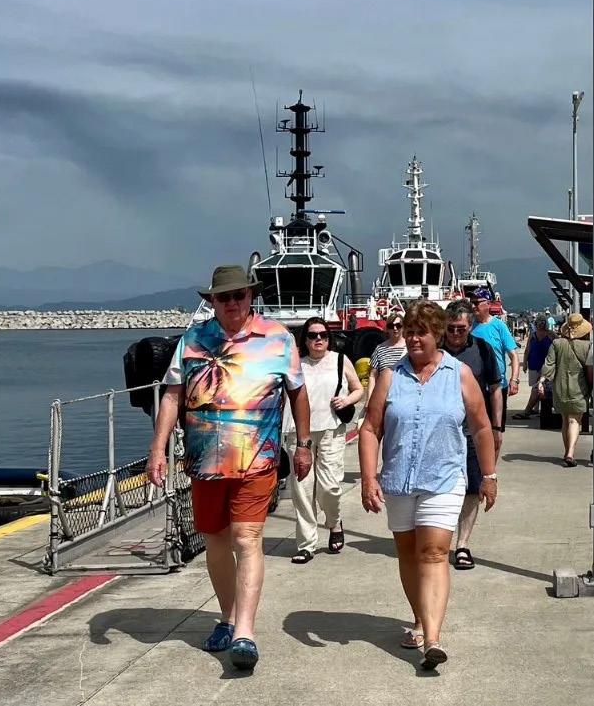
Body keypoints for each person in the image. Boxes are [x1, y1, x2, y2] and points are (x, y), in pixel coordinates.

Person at [146, 265, 311, 671]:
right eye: (224, 297)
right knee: (216, 541)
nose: (233, 302)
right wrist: (157, 449)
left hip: (258, 460)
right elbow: (172, 396)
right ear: (213, 302)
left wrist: (303, 445)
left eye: (239, 295)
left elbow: (298, 393)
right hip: (205, 462)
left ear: (251, 296)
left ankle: (245, 634)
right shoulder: (193, 340)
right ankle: (228, 617)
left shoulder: (278, 338)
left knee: (246, 538)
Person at [359, 300, 497, 671]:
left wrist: (489, 476)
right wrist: (369, 478)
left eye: (421, 332)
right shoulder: (391, 376)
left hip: (444, 478)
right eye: (409, 332)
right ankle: (420, 619)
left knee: (434, 553)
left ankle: (433, 640)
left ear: (437, 334)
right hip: (399, 479)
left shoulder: (459, 374)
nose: (413, 339)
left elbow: (482, 427)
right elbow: (370, 428)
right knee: (408, 555)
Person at [283, 317, 363, 563]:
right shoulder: (295, 364)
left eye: (323, 335)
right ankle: (306, 544)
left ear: (329, 338)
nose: (318, 339)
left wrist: (347, 400)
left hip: (331, 429)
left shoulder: (340, 360)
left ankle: (334, 521)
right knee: (303, 489)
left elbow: (359, 389)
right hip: (298, 432)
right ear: (304, 339)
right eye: (312, 335)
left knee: (330, 486)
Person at [441, 299, 503, 571]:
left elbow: (495, 388)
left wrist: (497, 427)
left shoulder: (482, 349)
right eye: (451, 328)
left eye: (461, 329)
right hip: (441, 432)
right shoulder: (435, 349)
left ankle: (462, 544)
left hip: (473, 431)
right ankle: (440, 539)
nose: (455, 334)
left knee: (472, 488)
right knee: (440, 487)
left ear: (470, 326)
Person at [538, 313, 592, 466]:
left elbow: (549, 364)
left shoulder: (557, 343)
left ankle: (566, 451)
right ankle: (570, 453)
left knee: (565, 420)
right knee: (575, 420)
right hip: (579, 386)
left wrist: (542, 381)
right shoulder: (587, 346)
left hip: (560, 386)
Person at [471, 287, 520, 422]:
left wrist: (514, 380)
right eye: (471, 302)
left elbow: (513, 356)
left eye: (476, 302)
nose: (473, 306)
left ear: (487, 304)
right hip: (474, 386)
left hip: (498, 386)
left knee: (496, 428)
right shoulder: (468, 327)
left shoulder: (499, 326)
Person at [511, 317, 554, 420]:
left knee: (542, 387)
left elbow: (558, 344)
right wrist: (525, 363)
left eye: (542, 322)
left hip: (546, 365)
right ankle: (536, 408)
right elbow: (527, 350)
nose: (540, 324)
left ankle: (537, 409)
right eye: (538, 322)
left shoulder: (551, 334)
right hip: (533, 363)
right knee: (535, 386)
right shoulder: (532, 335)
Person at [367, 312, 407, 402]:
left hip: (404, 398)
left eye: (398, 325)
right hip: (383, 399)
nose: (395, 328)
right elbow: (373, 376)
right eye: (391, 326)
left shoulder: (410, 348)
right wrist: (369, 400)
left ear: (403, 327)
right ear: (387, 329)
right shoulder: (380, 349)